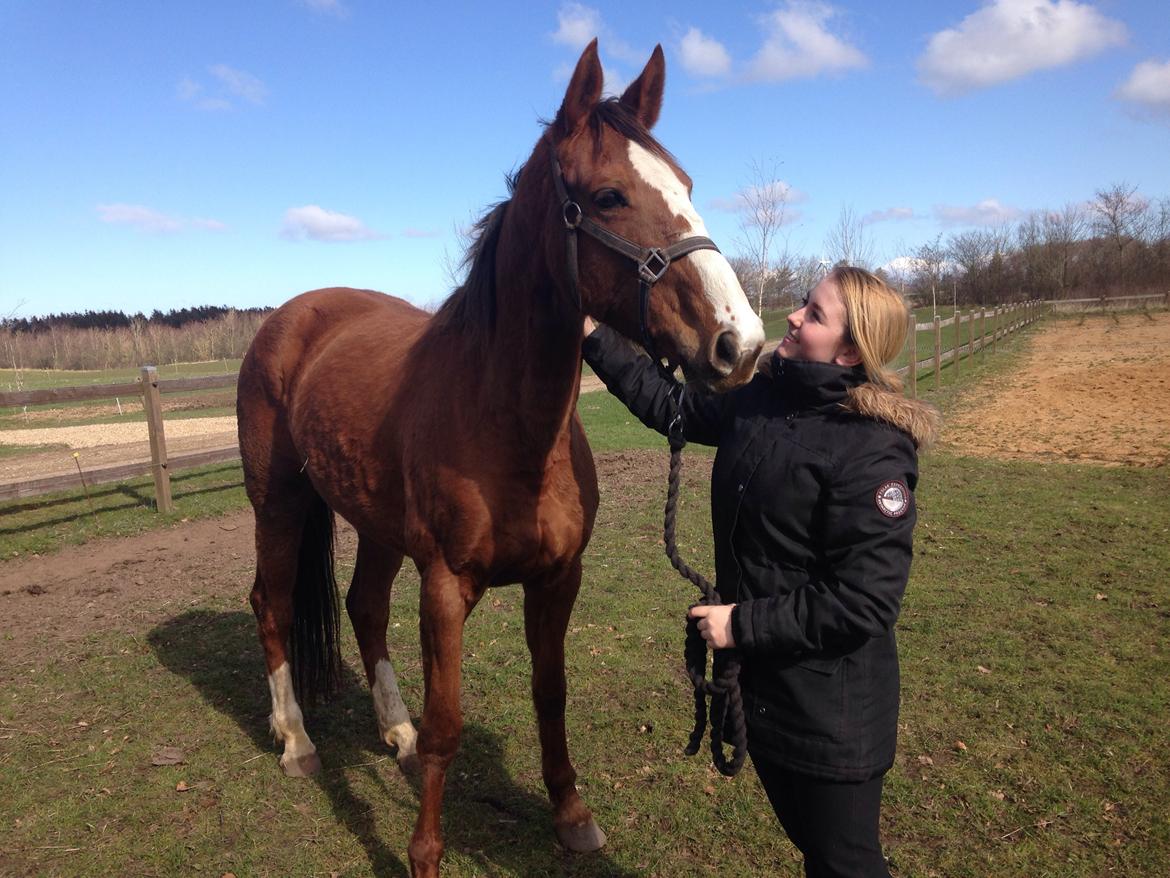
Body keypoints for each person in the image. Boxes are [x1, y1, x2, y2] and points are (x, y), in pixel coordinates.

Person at [582, 266, 939, 878]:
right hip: (763, 695)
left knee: (844, 863)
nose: (795, 318)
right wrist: (590, 333)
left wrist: (740, 626)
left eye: (815, 315)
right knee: (818, 856)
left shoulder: (874, 449)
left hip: (832, 714)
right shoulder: (765, 397)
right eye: (803, 304)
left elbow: (864, 601)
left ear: (851, 349)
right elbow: (670, 405)